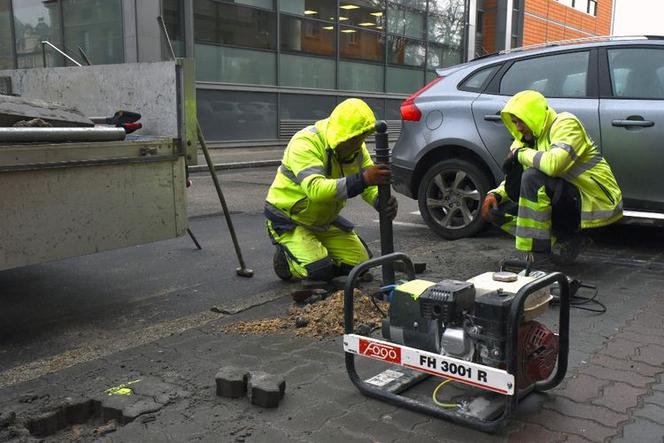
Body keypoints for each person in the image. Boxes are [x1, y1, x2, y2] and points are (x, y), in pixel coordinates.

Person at [480, 90, 622, 265]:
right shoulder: (524, 140)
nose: (518, 127)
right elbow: (515, 180)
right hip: (565, 198)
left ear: (534, 116)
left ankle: (539, 257)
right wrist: (495, 194)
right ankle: (562, 241)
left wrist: (520, 153)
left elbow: (554, 165)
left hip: (593, 201)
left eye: (521, 121)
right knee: (496, 208)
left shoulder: (566, 124)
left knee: (533, 178)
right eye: (515, 122)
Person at [264, 98, 397, 281]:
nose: (358, 144)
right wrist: (364, 179)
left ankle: (321, 260)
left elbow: (369, 187)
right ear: (342, 133)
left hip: (323, 220)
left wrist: (378, 200)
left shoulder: (356, 148)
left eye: (362, 137)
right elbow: (316, 190)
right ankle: (287, 261)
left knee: (360, 265)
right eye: (354, 139)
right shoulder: (305, 143)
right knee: (317, 271)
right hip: (291, 219)